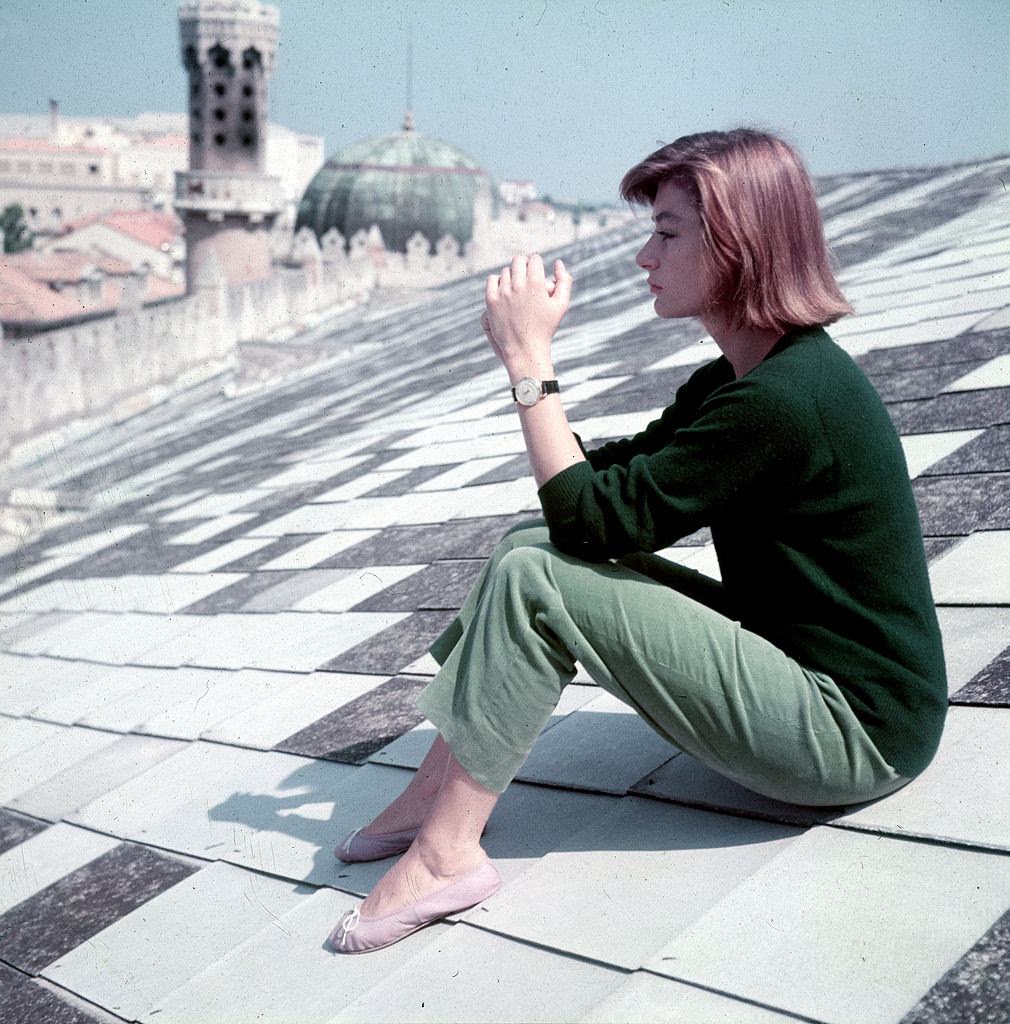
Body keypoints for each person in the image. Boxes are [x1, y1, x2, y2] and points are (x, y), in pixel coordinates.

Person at [328, 128, 948, 954]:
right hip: (809, 672)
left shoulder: (784, 400)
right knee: (527, 545)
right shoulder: (745, 380)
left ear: (736, 244)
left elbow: (587, 518)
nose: (643, 259)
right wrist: (537, 387)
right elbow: (587, 497)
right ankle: (435, 791)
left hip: (851, 734)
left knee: (539, 577)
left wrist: (528, 360)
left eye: (665, 233)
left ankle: (447, 856)